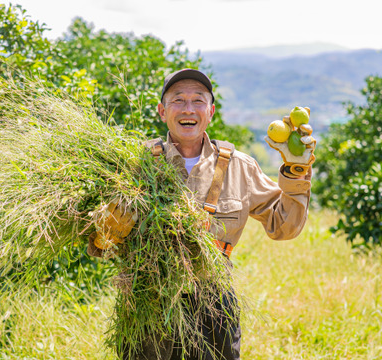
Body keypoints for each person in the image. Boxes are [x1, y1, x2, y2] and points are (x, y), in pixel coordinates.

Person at [88, 68, 315, 360]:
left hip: (215, 302)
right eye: (178, 100)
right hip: (148, 299)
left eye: (198, 101)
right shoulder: (134, 164)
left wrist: (295, 171)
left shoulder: (239, 166)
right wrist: (106, 230)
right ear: (162, 110)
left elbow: (284, 227)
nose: (188, 109)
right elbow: (98, 244)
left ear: (211, 111)